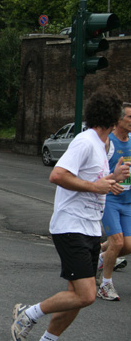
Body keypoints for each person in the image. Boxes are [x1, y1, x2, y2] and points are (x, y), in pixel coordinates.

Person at [11, 90, 130, 341]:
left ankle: (48, 339)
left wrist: (111, 180)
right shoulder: (85, 141)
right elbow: (58, 175)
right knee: (86, 295)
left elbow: (92, 180)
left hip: (89, 227)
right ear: (112, 119)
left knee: (74, 297)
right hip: (70, 226)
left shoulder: (101, 145)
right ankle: (28, 313)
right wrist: (97, 186)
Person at [95, 102, 131, 301]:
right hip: (109, 199)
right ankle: (105, 284)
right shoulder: (108, 142)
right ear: (118, 120)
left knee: (127, 245)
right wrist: (110, 181)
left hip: (128, 201)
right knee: (117, 242)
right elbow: (95, 169)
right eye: (129, 117)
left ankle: (98, 256)